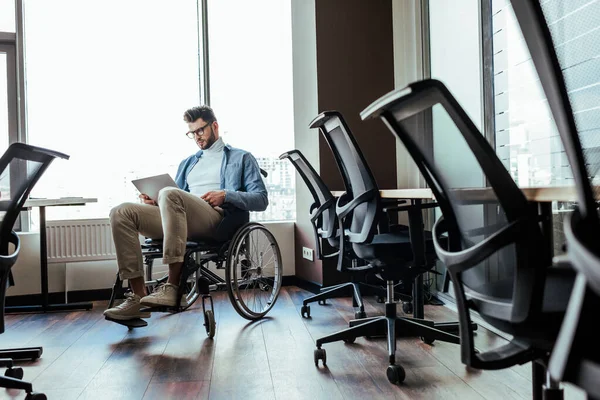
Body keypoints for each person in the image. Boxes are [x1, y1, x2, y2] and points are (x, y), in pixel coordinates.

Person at [104, 105, 268, 321]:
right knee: (121, 212)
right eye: (192, 133)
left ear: (215, 126)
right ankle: (137, 295)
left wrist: (226, 195)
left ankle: (173, 287)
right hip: (181, 218)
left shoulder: (241, 157)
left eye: (200, 130)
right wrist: (155, 202)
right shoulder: (189, 163)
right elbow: (174, 200)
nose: (197, 137)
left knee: (171, 193)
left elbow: (261, 199)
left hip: (217, 218)